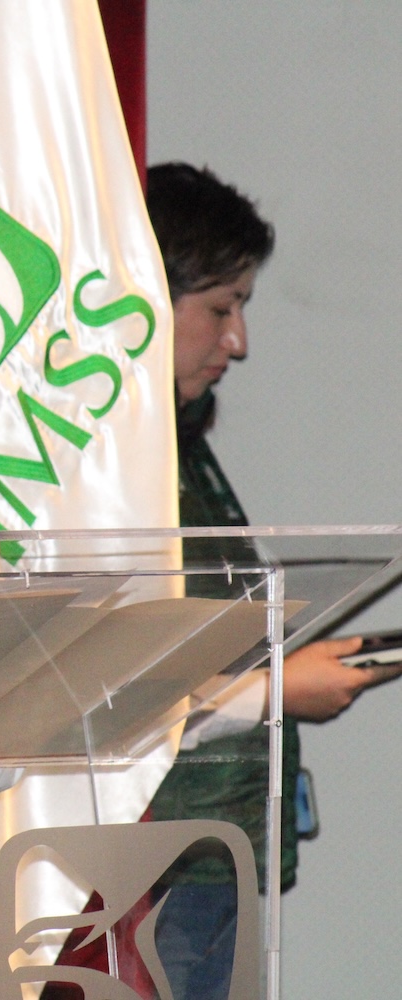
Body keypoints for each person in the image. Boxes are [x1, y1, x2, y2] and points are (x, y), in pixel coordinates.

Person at [139, 162, 388, 997]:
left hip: (208, 857)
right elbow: (105, 697)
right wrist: (279, 689)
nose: (238, 340)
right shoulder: (106, 469)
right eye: (221, 308)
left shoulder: (182, 449)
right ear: (145, 291)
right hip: (147, 869)